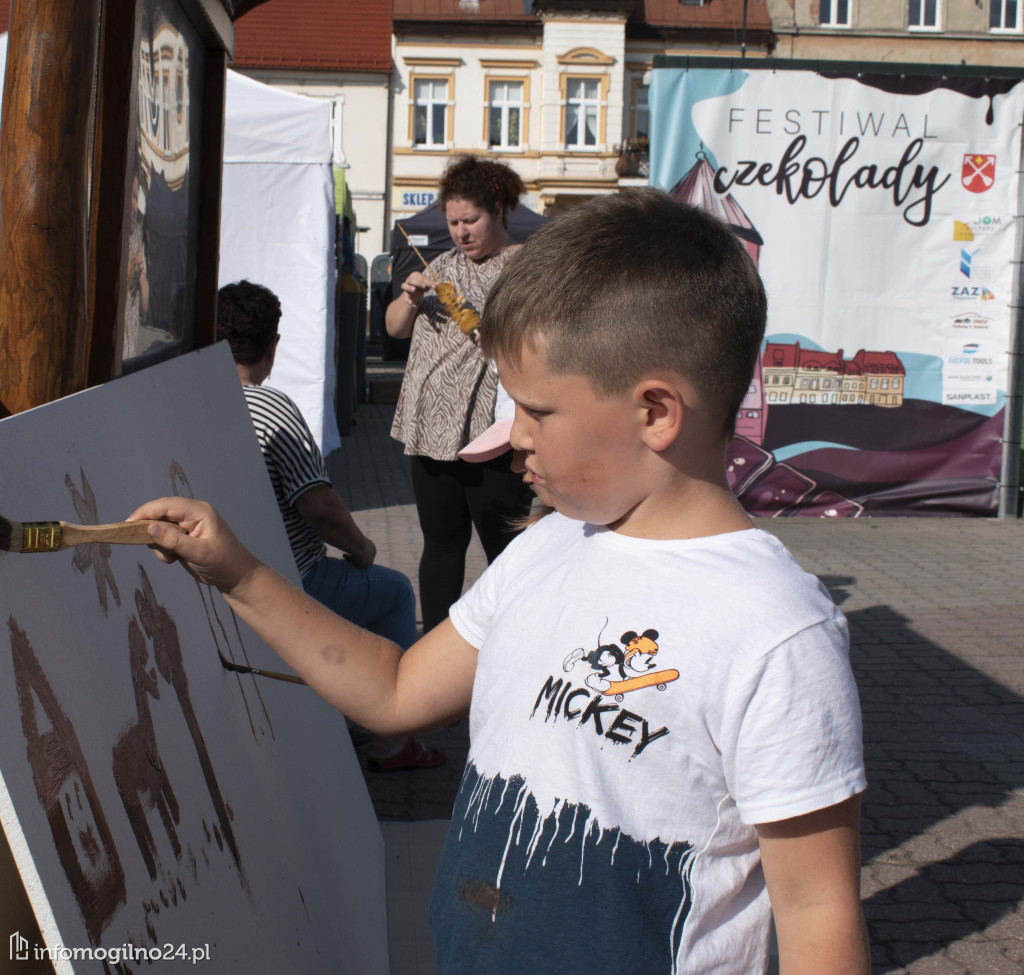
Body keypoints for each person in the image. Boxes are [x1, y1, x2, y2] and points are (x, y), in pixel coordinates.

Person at [136, 190, 869, 973]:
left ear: (656, 411)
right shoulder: (545, 547)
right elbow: (395, 688)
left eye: (535, 409)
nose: (512, 434)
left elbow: (817, 910)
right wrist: (239, 572)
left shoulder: (777, 632)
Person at [216, 280, 443, 772]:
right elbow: (319, 507)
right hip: (286, 578)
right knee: (396, 591)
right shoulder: (271, 409)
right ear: (273, 344)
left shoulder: (195, 407)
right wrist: (361, 549)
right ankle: (390, 736)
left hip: (217, 569)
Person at [385, 155, 534, 632]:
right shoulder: (437, 265)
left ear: (499, 211)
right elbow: (393, 331)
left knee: (504, 547)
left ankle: (511, 641)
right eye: (453, 222)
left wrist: (487, 327)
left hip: (493, 432)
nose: (461, 232)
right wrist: (408, 300)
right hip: (432, 428)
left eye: (471, 220)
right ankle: (433, 645)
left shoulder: (527, 270)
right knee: (442, 543)